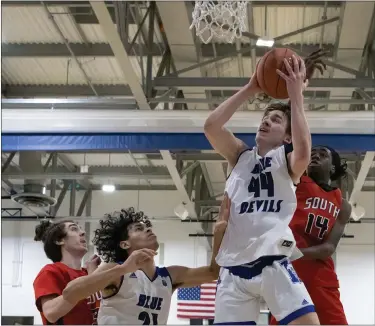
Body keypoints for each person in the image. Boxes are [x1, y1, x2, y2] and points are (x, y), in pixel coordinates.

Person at [204, 50, 327, 325]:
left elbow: (304, 150)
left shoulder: (287, 162)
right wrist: (250, 87)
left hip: (273, 261)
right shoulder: (239, 156)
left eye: (275, 120)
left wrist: (296, 96)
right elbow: (211, 126)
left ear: (286, 137)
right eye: (265, 117)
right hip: (234, 269)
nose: (266, 120)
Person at [60, 196, 230, 325]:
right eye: (139, 228)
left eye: (147, 226)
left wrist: (218, 234)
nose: (148, 229)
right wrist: (123, 269)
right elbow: (69, 293)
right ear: (124, 243)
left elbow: (213, 272)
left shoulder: (170, 275)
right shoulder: (116, 270)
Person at [270, 146, 351, 325]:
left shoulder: (342, 205)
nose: (315, 156)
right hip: (288, 277)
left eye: (322, 155)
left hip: (321, 278)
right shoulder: (294, 184)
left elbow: (328, 248)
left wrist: (294, 252)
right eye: (312, 154)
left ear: (332, 167)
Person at [33, 220, 101, 325]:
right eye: (74, 229)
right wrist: (91, 278)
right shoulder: (50, 271)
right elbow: (51, 313)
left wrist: (93, 275)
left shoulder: (89, 272)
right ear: (59, 240)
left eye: (81, 229)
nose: (83, 232)